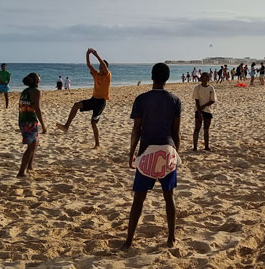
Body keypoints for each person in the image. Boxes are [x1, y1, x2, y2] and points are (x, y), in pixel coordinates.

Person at [123, 63, 181, 249]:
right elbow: (176, 132)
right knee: (169, 196)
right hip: (167, 150)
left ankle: (129, 241)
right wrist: (176, 154)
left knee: (138, 199)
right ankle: (171, 238)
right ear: (167, 78)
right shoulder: (175, 100)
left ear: (151, 76)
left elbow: (136, 130)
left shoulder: (141, 99)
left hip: (147, 152)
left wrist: (131, 153)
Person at [58, 48, 111, 149]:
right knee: (76, 105)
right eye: (100, 66)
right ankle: (66, 126)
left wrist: (96, 54)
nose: (101, 67)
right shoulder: (96, 74)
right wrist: (87, 54)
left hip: (101, 102)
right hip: (93, 100)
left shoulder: (107, 75)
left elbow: (104, 66)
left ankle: (97, 144)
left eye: (103, 66)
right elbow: (89, 65)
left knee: (93, 123)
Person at [17, 73, 46, 178]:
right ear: (36, 81)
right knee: (31, 147)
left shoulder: (24, 91)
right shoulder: (37, 92)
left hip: (22, 120)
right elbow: (37, 109)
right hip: (29, 121)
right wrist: (43, 125)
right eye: (39, 78)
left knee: (35, 144)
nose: (40, 79)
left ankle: (30, 167)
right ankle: (21, 172)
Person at [192, 72, 217, 151]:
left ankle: (206, 146)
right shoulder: (197, 88)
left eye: (204, 77)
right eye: (201, 77)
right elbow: (197, 100)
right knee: (197, 128)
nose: (202, 78)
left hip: (208, 111)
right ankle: (195, 147)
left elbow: (213, 100)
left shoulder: (211, 88)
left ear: (208, 78)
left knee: (206, 129)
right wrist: (199, 110)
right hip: (198, 110)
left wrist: (204, 106)